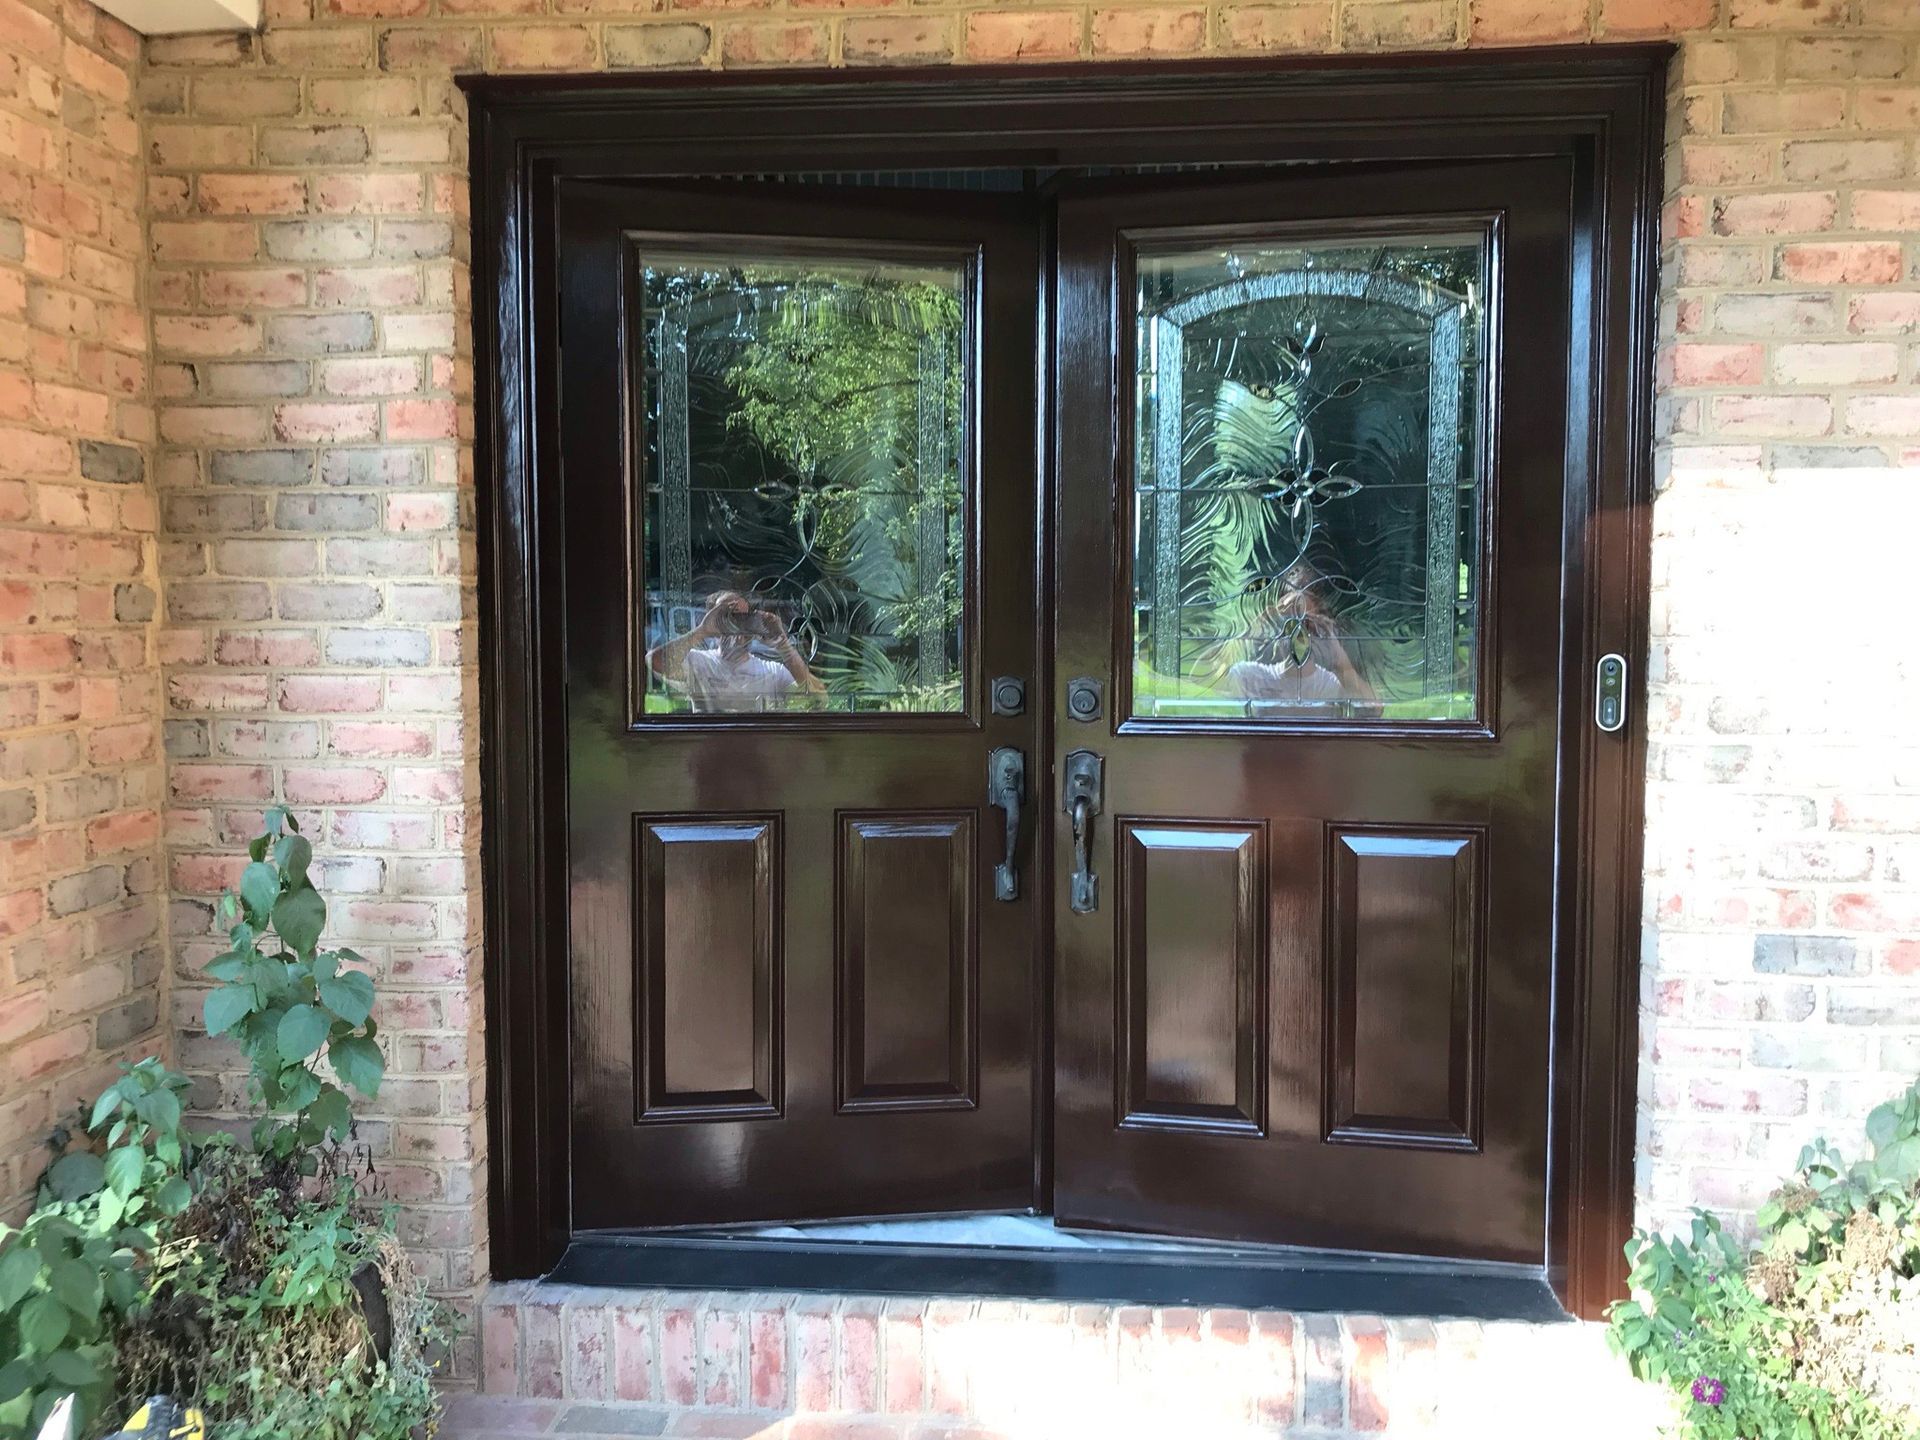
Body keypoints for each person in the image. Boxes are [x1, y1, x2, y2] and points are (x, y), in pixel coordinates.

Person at [1224, 564, 1377, 714]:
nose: (1297, 633)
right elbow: (1206, 674)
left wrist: (1338, 657)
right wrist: (1258, 623)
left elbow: (1374, 709)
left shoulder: (1331, 684)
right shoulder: (1253, 676)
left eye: (1307, 623)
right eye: (1288, 621)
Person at [646, 590, 825, 713]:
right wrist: (702, 631)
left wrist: (783, 645)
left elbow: (818, 699)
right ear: (709, 618)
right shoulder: (698, 663)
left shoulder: (772, 672)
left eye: (742, 618)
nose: (735, 625)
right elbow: (654, 661)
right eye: (725, 617)